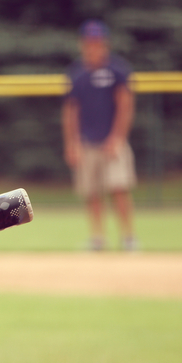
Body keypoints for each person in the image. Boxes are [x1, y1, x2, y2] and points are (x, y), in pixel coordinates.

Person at [62, 20, 138, 251]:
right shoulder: (77, 73)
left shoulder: (117, 70)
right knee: (92, 192)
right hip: (87, 143)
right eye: (89, 42)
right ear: (82, 44)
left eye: (97, 42)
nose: (93, 46)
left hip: (112, 142)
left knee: (119, 188)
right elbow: (70, 111)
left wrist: (117, 138)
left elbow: (125, 105)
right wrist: (72, 143)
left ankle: (128, 238)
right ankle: (98, 238)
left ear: (105, 43)